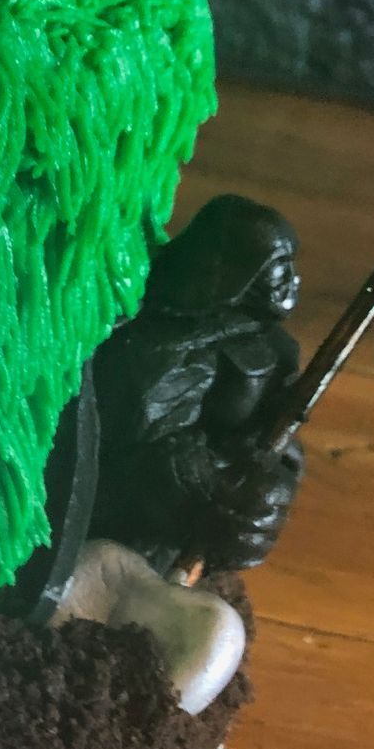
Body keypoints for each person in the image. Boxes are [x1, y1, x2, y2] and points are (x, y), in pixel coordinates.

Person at [91, 194, 306, 574]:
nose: (292, 282)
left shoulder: (272, 346)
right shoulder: (162, 348)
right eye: (279, 270)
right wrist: (211, 500)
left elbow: (279, 436)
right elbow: (142, 457)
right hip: (127, 536)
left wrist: (270, 489)